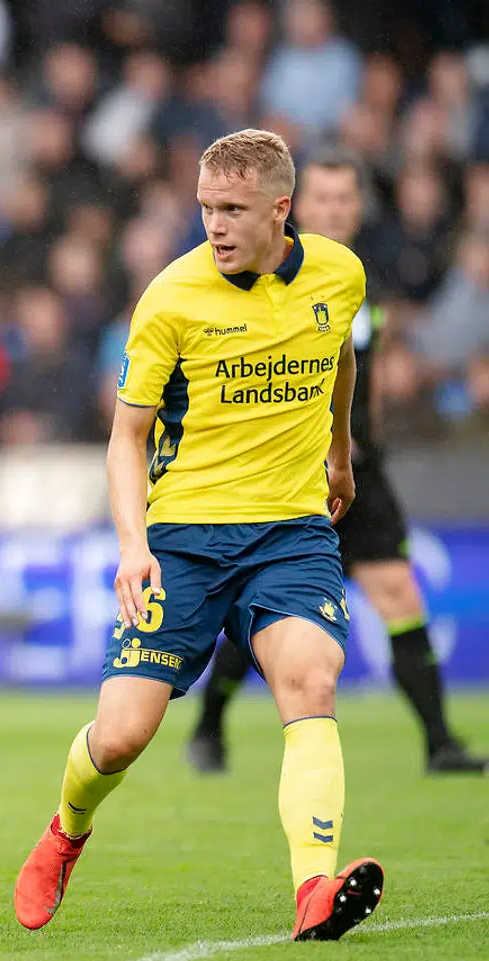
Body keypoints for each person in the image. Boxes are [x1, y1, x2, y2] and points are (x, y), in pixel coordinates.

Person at [13, 129, 384, 942]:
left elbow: (340, 364)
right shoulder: (171, 298)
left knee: (311, 684)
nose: (214, 226)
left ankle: (313, 890)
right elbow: (125, 437)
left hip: (289, 532)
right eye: (206, 209)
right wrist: (133, 546)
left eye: (233, 210)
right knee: (119, 737)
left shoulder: (340, 274)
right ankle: (67, 829)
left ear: (281, 209)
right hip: (181, 540)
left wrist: (340, 452)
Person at [186, 155, 489, 776]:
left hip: (357, 466)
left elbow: (362, 373)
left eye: (345, 200)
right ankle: (210, 726)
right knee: (263, 611)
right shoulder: (268, 273)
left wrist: (363, 443)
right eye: (323, 199)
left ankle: (438, 742)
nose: (335, 210)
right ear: (294, 206)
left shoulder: (355, 278)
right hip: (288, 470)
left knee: (399, 591)